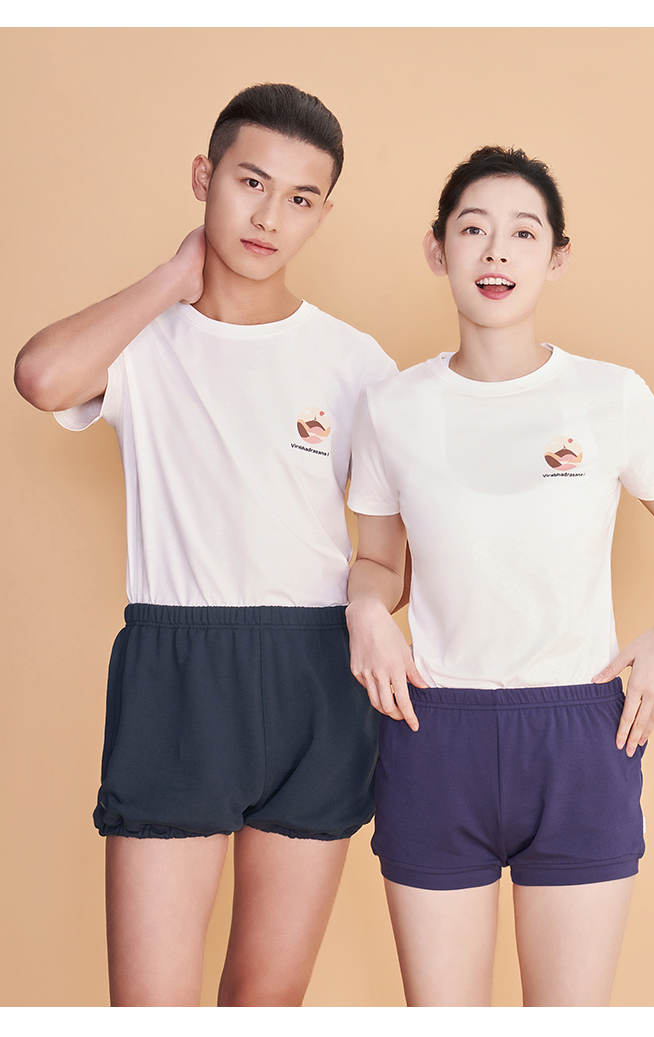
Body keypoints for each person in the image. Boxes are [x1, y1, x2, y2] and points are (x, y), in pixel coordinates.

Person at [14, 83, 397, 1008]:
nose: (269, 217)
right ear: (205, 176)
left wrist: (370, 613)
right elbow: (40, 375)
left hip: (316, 675)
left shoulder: (354, 362)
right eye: (250, 183)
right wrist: (170, 279)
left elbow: (387, 554)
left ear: (323, 214)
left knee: (266, 1002)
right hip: (177, 671)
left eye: (300, 199)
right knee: (151, 1008)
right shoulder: (141, 344)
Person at [345, 145, 654, 1007]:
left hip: (580, 736)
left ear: (556, 256)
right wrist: (364, 611)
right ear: (437, 248)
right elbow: (378, 562)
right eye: (472, 229)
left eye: (524, 233)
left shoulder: (611, 396)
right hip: (432, 731)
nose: (496, 252)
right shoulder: (392, 407)